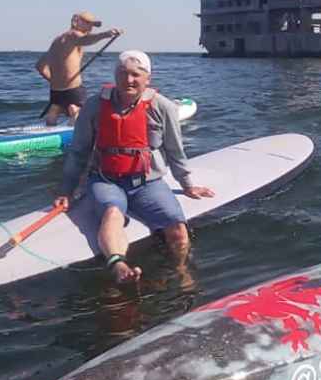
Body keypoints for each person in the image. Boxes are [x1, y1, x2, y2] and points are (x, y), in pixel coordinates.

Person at [55, 50, 215, 285]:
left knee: (178, 229)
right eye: (122, 73)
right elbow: (79, 152)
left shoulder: (163, 107)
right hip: (106, 180)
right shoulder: (95, 106)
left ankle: (181, 272)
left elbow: (175, 152)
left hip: (147, 182)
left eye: (135, 74)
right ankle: (119, 266)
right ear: (115, 76)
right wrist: (66, 190)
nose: (128, 80)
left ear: (147, 78)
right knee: (112, 213)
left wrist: (188, 185)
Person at [35, 11, 123, 125]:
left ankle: (48, 134)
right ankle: (75, 136)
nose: (90, 27)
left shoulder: (57, 41)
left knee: (53, 112)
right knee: (78, 112)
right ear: (75, 22)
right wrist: (105, 34)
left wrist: (54, 80)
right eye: (87, 23)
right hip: (73, 88)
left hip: (55, 89)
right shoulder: (73, 35)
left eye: (92, 25)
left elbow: (40, 66)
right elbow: (86, 40)